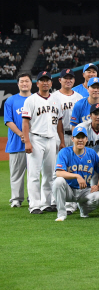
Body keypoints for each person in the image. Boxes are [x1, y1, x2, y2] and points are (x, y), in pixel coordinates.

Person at [22, 71, 65, 214]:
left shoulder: (56, 100)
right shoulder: (31, 100)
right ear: (37, 83)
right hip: (36, 138)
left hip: (52, 139)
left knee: (49, 173)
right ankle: (34, 205)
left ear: (51, 83)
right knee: (34, 174)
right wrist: (27, 141)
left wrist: (62, 140)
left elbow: (59, 122)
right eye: (42, 80)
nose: (45, 83)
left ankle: (46, 203)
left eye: (47, 80)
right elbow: (25, 122)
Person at [52, 126, 99, 221]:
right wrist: (76, 176)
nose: (80, 140)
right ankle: (61, 214)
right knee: (58, 181)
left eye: (82, 137)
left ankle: (84, 209)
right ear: (72, 139)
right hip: (68, 190)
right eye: (77, 137)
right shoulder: (64, 152)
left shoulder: (91, 153)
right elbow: (59, 173)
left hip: (84, 191)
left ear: (86, 139)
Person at [6, 73, 31, 208]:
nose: (24, 83)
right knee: (16, 174)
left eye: (26, 81)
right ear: (18, 84)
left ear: (31, 83)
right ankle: (16, 199)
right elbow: (8, 120)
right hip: (16, 143)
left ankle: (33, 198)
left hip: (34, 142)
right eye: (22, 81)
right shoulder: (11, 100)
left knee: (34, 174)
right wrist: (22, 134)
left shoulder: (36, 99)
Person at [52, 69, 83, 147]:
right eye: (66, 78)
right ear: (60, 80)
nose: (68, 80)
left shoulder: (79, 97)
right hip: (59, 135)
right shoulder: (53, 97)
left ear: (74, 80)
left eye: (71, 78)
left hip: (77, 134)